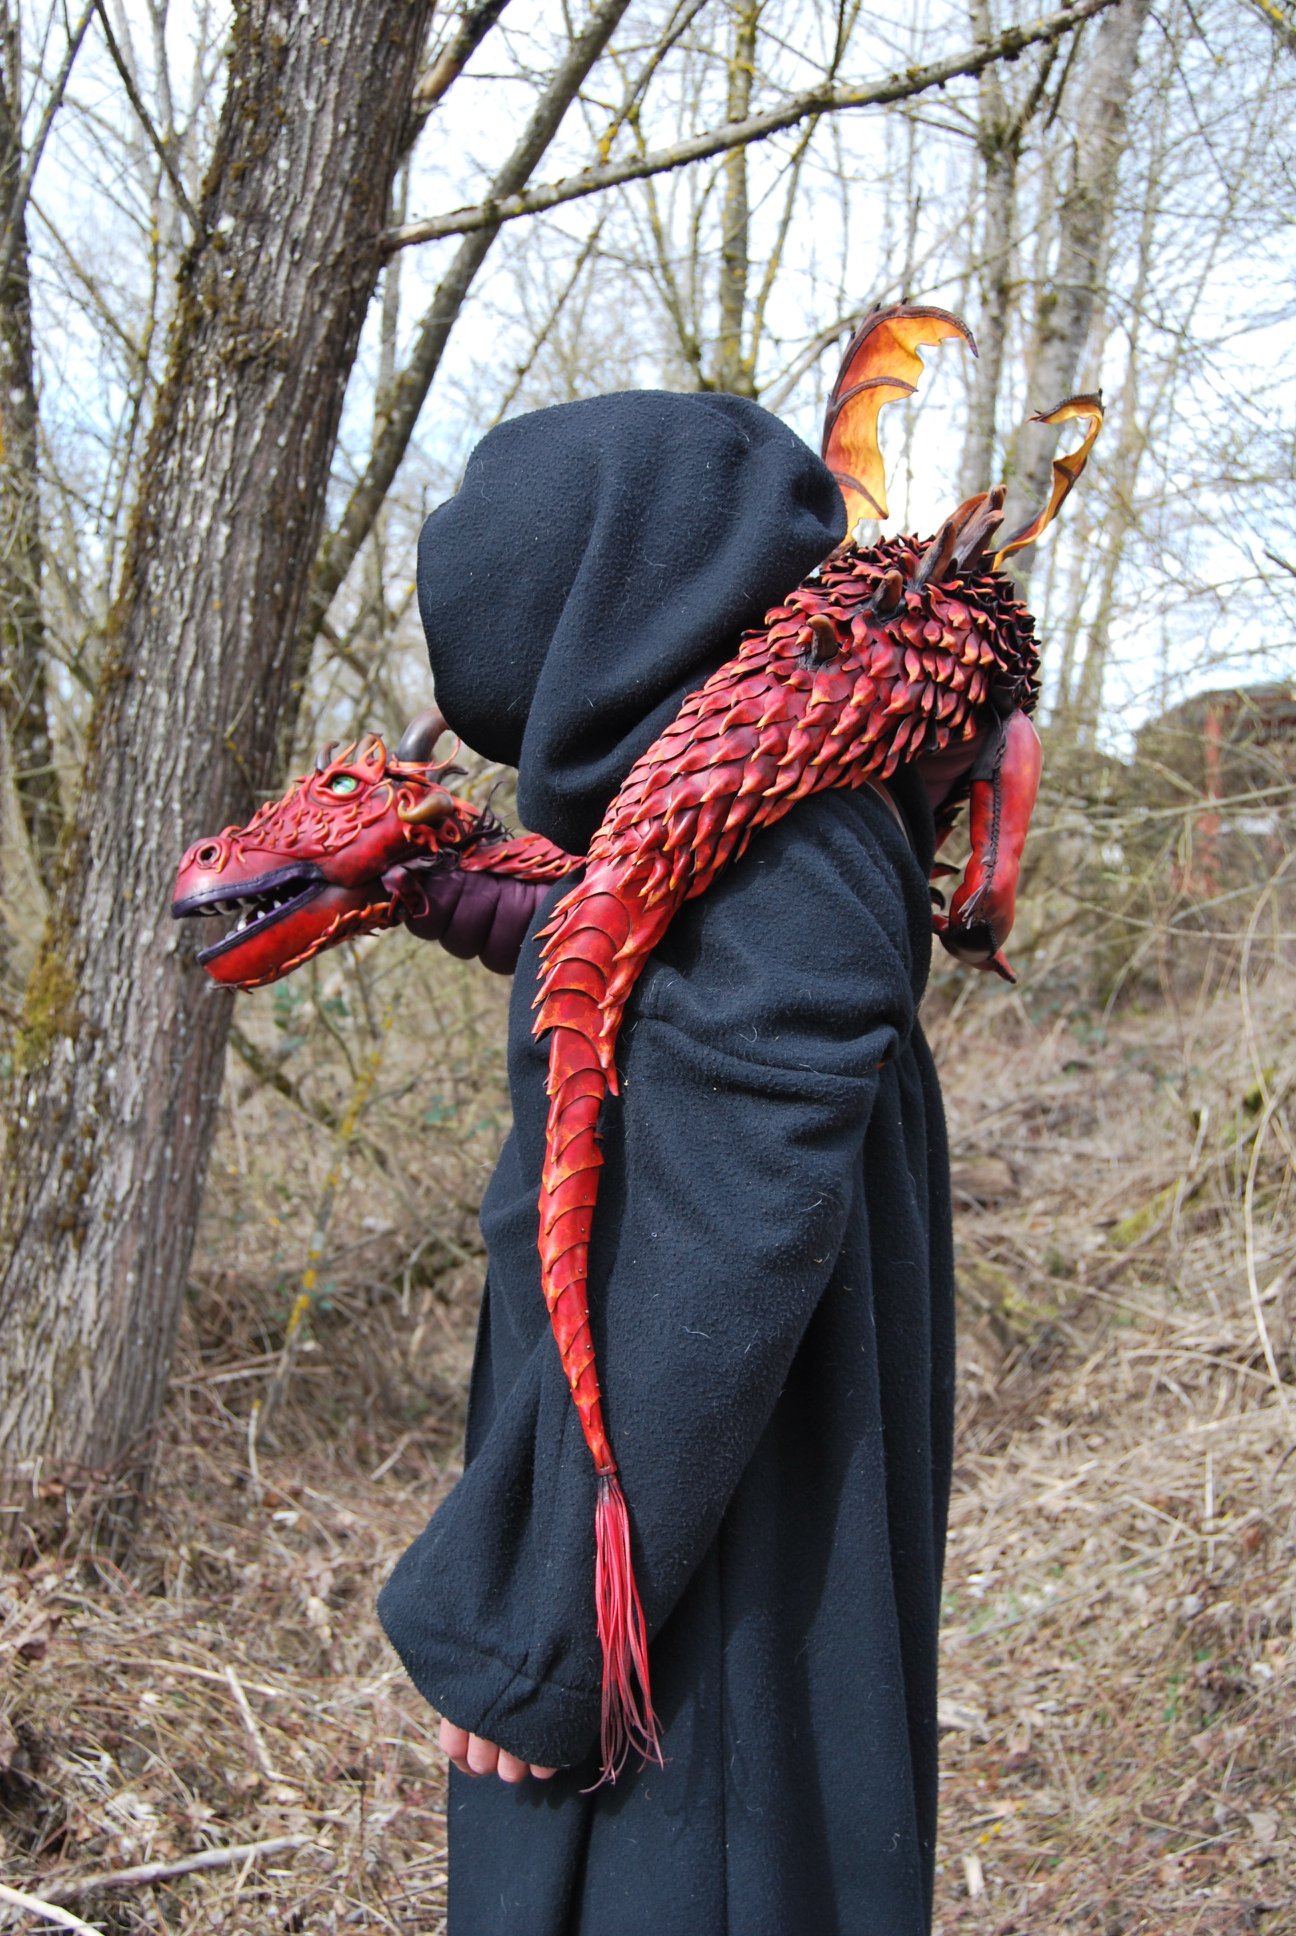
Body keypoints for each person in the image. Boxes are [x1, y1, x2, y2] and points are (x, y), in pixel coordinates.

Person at [377, 389, 955, 1936]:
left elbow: (722, 1246)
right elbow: (680, 1019)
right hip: (701, 1545)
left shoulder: (777, 835)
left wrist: (541, 1626)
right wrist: (497, 906)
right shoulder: (761, 797)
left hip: (699, 1612)